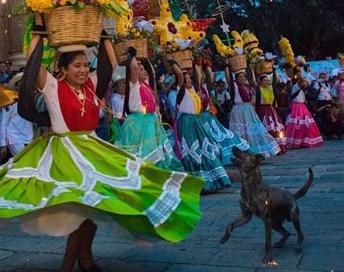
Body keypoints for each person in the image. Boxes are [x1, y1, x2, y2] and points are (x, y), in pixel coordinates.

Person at [0, 23, 203, 272]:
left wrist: (102, 28)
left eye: (85, 65)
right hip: (65, 153)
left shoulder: (91, 85)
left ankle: (80, 261)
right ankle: (75, 264)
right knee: (84, 207)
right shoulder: (51, 85)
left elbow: (108, 64)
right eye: (77, 66)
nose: (84, 70)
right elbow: (33, 62)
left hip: (93, 150)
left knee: (94, 206)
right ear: (62, 69)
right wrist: (39, 28)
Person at [116, 50, 182, 170]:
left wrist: (151, 57)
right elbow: (134, 68)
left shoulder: (146, 84)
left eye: (144, 69)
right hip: (139, 124)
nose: (145, 71)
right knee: (144, 156)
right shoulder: (134, 85)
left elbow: (150, 70)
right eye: (141, 70)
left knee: (159, 155)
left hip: (151, 123)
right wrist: (132, 55)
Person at [172, 63, 231, 191]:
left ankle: (214, 179)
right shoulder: (180, 91)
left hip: (197, 121)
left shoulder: (193, 89)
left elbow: (199, 76)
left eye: (189, 79)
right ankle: (198, 182)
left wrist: (196, 63)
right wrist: (172, 61)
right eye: (185, 79)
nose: (188, 81)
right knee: (194, 151)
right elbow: (179, 75)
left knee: (208, 148)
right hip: (187, 123)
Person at [226, 67, 280, 157]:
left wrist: (250, 66)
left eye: (244, 76)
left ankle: (257, 152)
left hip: (248, 109)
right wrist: (227, 66)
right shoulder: (234, 86)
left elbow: (252, 78)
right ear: (236, 79)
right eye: (240, 77)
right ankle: (242, 153)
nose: (242, 78)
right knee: (241, 132)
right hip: (238, 110)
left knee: (253, 130)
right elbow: (228, 78)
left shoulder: (247, 86)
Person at [0, 73, 34, 158]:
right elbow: (4, 122)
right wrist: (3, 144)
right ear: (17, 86)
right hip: (15, 138)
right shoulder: (10, 101)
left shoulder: (30, 99)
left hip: (29, 137)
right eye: (20, 83)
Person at [285, 72, 324, 149]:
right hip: (296, 107)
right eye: (304, 82)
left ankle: (305, 141)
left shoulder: (302, 89)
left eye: (306, 82)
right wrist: (299, 73)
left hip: (302, 107)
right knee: (297, 125)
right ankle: (296, 142)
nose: (305, 83)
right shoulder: (296, 86)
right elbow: (301, 81)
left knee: (306, 125)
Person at [255, 74, 286, 153]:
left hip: (271, 109)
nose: (266, 82)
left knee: (276, 128)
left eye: (267, 80)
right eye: (264, 80)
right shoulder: (258, 90)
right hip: (262, 110)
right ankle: (270, 148)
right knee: (267, 128)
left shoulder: (270, 89)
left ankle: (279, 147)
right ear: (260, 82)